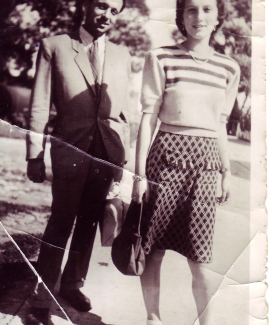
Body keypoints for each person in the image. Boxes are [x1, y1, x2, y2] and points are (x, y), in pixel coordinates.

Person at [131, 0, 240, 324]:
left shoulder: (229, 68)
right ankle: (153, 318)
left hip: (205, 166)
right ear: (181, 16)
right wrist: (139, 177)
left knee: (200, 258)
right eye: (191, 9)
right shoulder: (161, 57)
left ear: (218, 16)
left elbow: (220, 124)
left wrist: (227, 171)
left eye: (207, 9)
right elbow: (148, 118)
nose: (199, 17)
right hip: (164, 159)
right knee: (153, 250)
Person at [26, 0, 130, 320]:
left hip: (106, 153)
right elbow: (39, 105)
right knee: (61, 221)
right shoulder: (54, 47)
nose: (107, 16)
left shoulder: (122, 56)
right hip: (69, 150)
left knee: (88, 223)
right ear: (85, 5)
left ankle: (71, 284)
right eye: (101, 7)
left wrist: (121, 161)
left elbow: (124, 114)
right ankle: (41, 297)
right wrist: (35, 153)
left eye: (114, 11)